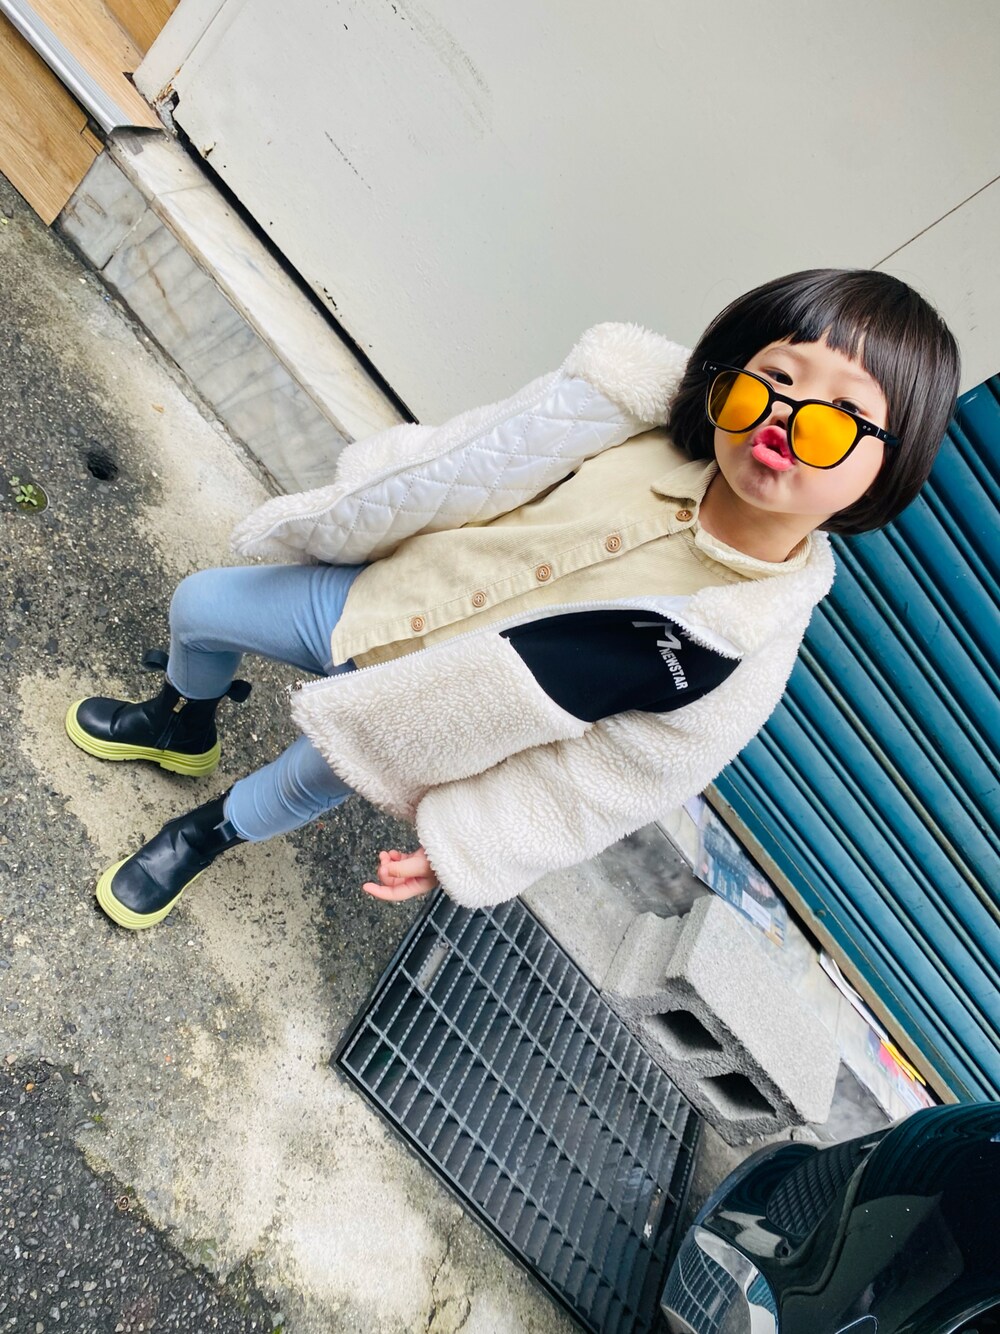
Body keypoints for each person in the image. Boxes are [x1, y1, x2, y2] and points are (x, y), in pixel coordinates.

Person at [65, 269, 960, 929]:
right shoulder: (624, 426)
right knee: (201, 605)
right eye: (776, 377)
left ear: (890, 469)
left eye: (840, 415)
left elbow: (607, 781)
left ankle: (206, 834)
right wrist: (370, 493)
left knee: (299, 782)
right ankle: (183, 721)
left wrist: (473, 843)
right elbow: (474, 462)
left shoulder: (738, 650)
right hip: (376, 601)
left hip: (416, 716)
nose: (787, 415)